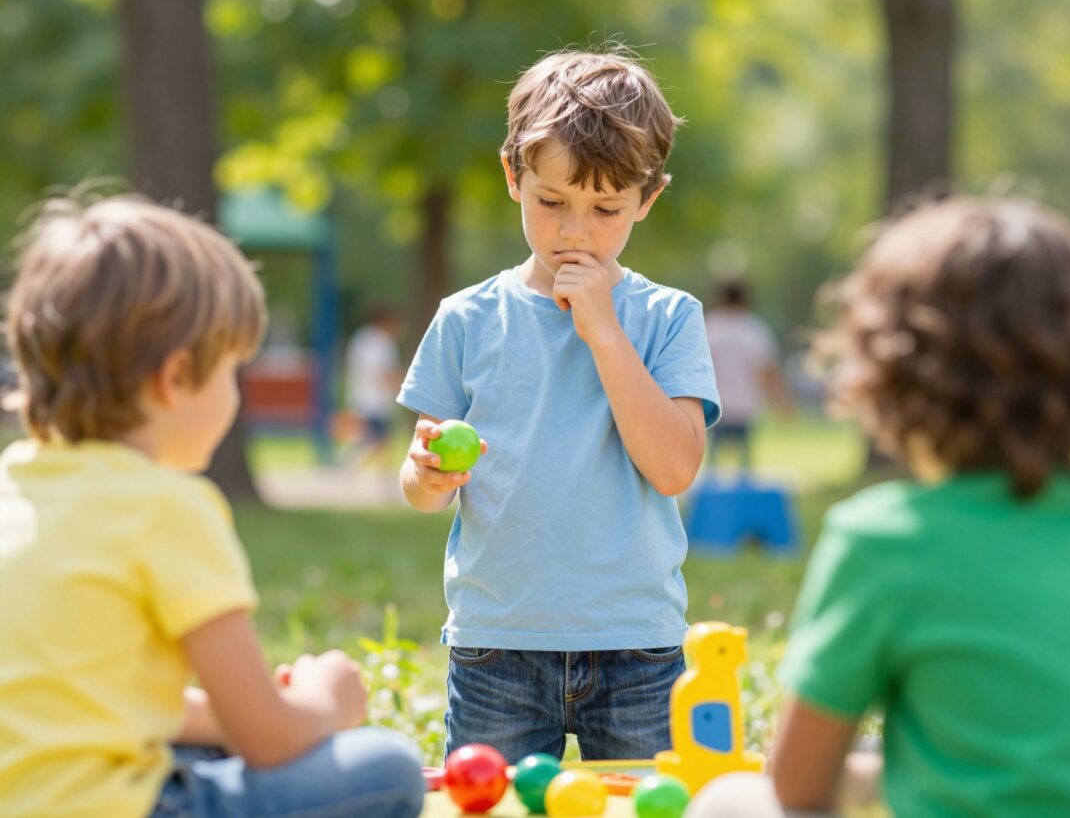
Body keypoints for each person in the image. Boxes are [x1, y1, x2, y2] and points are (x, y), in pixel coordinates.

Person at [694, 197, 1070, 817]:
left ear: (891, 372)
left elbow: (797, 786)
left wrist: (877, 774)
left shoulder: (884, 538)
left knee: (727, 800)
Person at [0, 195, 425, 817]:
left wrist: (234, 720)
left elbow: (89, 700)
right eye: (232, 371)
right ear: (175, 379)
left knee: (212, 752)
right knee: (387, 768)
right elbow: (271, 740)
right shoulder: (167, 508)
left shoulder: (16, 487)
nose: (235, 393)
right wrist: (325, 700)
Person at [398, 49, 721, 764]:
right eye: (552, 202)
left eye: (606, 209)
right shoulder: (466, 318)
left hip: (635, 643)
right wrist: (427, 476)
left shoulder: (667, 317)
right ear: (514, 177)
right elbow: (418, 490)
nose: (575, 230)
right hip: (498, 644)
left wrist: (604, 331)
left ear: (647, 199)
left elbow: (672, 469)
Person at [705, 279, 792, 472]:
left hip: (716, 405)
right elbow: (767, 370)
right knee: (745, 466)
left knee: (712, 464)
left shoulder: (709, 328)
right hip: (746, 406)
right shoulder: (753, 330)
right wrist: (781, 403)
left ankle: (710, 500)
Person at [342, 300, 405, 470]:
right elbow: (384, 372)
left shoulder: (361, 338)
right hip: (376, 400)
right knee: (374, 440)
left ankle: (375, 474)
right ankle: (351, 466)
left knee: (372, 440)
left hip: (360, 396)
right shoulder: (381, 342)